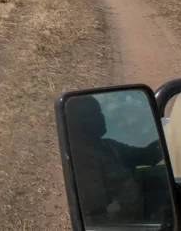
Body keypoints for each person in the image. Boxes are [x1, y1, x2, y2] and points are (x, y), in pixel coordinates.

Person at [66, 95, 167, 225]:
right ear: (80, 121)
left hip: (140, 212)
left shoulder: (110, 145)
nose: (103, 117)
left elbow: (147, 155)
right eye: (96, 113)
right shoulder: (80, 160)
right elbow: (97, 211)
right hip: (125, 222)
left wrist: (166, 139)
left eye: (100, 112)